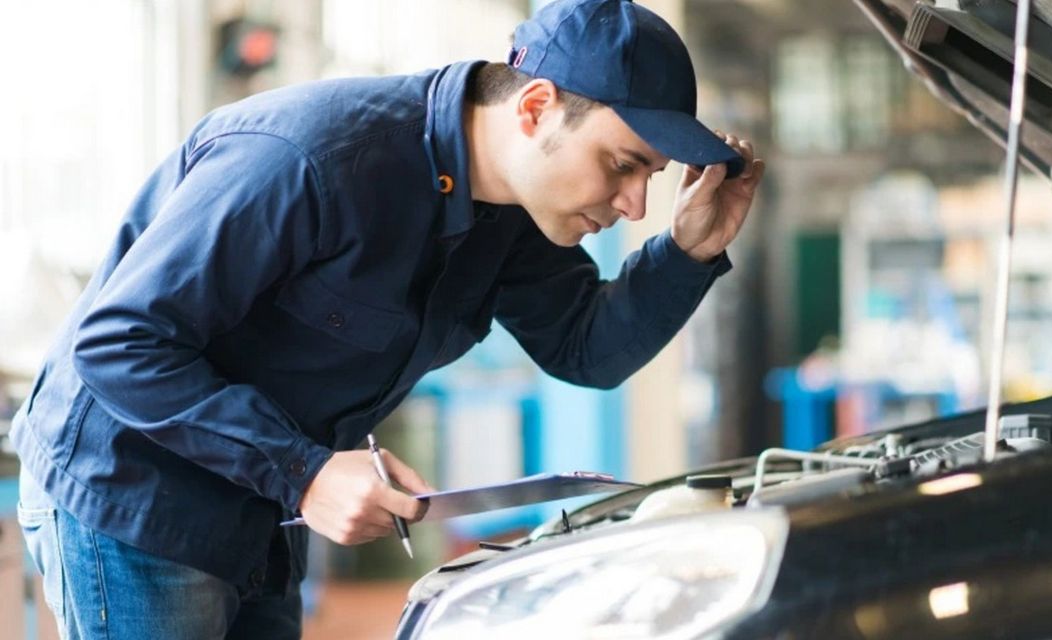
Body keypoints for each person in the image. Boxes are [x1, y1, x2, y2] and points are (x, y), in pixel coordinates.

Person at [11, 0, 764, 637]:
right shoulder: (310, 159)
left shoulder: (517, 218)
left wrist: (686, 253)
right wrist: (304, 473)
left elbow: (586, 351)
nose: (634, 205)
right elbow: (117, 344)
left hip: (258, 506)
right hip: (132, 488)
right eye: (622, 165)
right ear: (535, 108)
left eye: (650, 179)